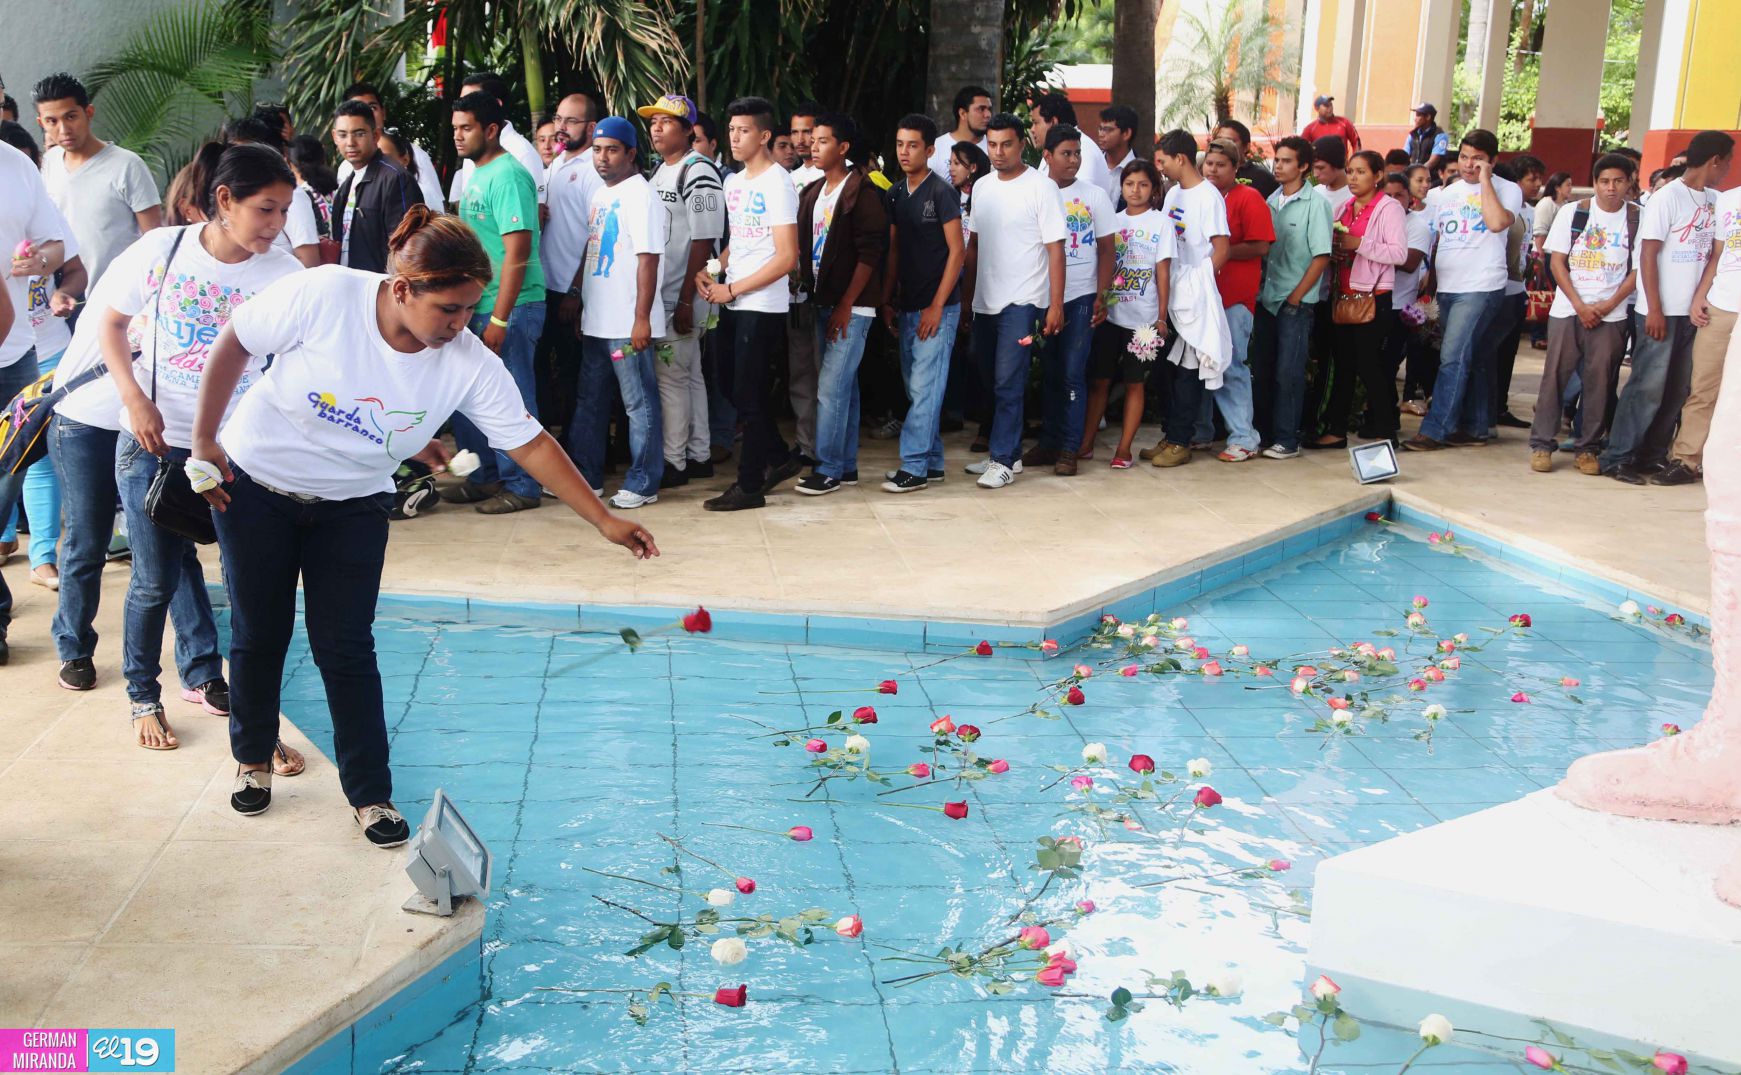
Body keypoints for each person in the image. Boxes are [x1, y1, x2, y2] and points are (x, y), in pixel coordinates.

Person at [186, 206, 657, 842]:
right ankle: (251, 761)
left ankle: (370, 796)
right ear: (403, 288)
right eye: (450, 310)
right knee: (259, 632)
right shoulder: (325, 294)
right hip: (258, 487)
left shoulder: (465, 359)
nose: (461, 325)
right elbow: (235, 342)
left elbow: (530, 442)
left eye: (470, 309)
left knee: (346, 648)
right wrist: (205, 441)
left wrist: (601, 518)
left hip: (353, 505)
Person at [53, 145, 301, 752]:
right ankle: (143, 696)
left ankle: (256, 722)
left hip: (237, 453)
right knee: (154, 580)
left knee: (249, 588)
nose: (277, 225)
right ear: (224, 201)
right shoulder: (162, 251)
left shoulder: (285, 275)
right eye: (265, 210)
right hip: (154, 445)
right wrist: (133, 400)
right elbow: (110, 322)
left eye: (285, 210)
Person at [1600, 131, 1733, 483]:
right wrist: (1654, 308)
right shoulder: (1667, 197)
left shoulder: (1714, 200)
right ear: (1715, 160)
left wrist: (1700, 298)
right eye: (1728, 161)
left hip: (1693, 311)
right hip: (1660, 309)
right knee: (1648, 385)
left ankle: (1651, 455)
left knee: (1677, 388)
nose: (1729, 169)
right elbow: (1648, 253)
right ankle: (1618, 456)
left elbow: (1714, 254)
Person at [439, 90, 548, 513]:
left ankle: (523, 484)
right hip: (477, 305)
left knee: (512, 397)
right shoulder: (474, 173)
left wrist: (499, 319)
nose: (458, 137)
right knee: (468, 394)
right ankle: (482, 475)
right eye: (454, 130)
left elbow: (517, 252)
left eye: (466, 128)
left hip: (513, 306)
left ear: (490, 129)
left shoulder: (508, 175)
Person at [693, 96, 801, 511]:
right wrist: (713, 270)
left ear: (765, 135)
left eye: (744, 131)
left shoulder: (778, 183)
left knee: (749, 394)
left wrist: (734, 290)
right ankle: (777, 456)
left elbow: (786, 256)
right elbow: (740, 241)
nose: (735, 138)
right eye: (732, 130)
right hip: (733, 298)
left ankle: (749, 484)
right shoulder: (734, 183)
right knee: (730, 387)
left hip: (762, 305)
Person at [0, 134, 74, 665]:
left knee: (9, 477)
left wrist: (37, 263)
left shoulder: (16, 166)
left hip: (14, 352)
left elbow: (56, 245)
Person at [963, 112, 1066, 489]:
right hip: (985, 299)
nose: (998, 152)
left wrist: (1055, 305)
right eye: (991, 145)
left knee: (1009, 380)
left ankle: (1003, 459)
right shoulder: (983, 187)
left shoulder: (1042, 187)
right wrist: (966, 299)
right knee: (989, 377)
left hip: (1023, 300)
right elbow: (973, 246)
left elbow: (1056, 249)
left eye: (1006, 144)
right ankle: (1007, 455)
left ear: (1022, 144)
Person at [569, 116, 667, 508]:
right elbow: (593, 250)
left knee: (638, 402)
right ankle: (587, 477)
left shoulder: (639, 194)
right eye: (596, 149)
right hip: (598, 318)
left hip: (627, 323)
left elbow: (648, 259)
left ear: (630, 153)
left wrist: (641, 318)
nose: (602, 158)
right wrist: (579, 298)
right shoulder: (600, 194)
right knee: (589, 399)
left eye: (611, 150)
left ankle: (644, 482)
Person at [1404, 129, 1522, 452]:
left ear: (1493, 162)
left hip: (1482, 285)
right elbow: (1437, 238)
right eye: (1465, 157)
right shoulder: (1446, 194)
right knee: (1478, 355)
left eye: (1479, 160)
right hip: (1449, 287)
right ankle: (1477, 426)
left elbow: (1498, 223)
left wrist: (1485, 181)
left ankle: (1436, 429)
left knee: (1452, 356)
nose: (1469, 165)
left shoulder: (1507, 189)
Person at [1527, 152, 1639, 476]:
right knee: (1555, 378)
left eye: (1618, 181)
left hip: (1612, 314)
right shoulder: (1572, 213)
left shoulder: (1637, 218)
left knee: (1600, 381)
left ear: (1629, 183)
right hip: (1568, 310)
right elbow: (1557, 263)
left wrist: (1606, 305)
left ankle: (1587, 447)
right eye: (1604, 181)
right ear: (1594, 183)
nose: (1611, 187)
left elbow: (1636, 270)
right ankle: (1542, 444)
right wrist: (1579, 304)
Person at [793, 112, 886, 495]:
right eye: (812, 140)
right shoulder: (814, 191)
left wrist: (847, 304)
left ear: (843, 148)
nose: (813, 147)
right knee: (842, 388)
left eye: (823, 141)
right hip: (822, 300)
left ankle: (828, 468)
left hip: (854, 306)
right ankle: (845, 466)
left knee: (830, 388)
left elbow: (870, 254)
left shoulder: (861, 191)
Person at [638, 93, 723, 491]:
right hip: (669, 293)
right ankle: (699, 454)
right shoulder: (661, 171)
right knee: (688, 376)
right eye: (654, 120)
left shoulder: (698, 170)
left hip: (682, 294)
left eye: (667, 122)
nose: (657, 127)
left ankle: (675, 462)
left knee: (672, 377)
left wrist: (690, 295)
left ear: (689, 130)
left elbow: (705, 240)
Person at [880, 114, 965, 493]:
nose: (904, 151)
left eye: (913, 145)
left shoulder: (941, 192)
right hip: (907, 303)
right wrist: (887, 298)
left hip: (939, 307)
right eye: (900, 144)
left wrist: (937, 305)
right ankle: (931, 463)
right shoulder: (896, 193)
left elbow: (958, 252)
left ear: (930, 150)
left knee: (926, 386)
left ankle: (913, 466)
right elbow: (895, 249)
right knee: (917, 387)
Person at [1026, 123, 1114, 476]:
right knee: (1049, 371)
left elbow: (1108, 250)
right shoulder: (1033, 191)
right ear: (1047, 156)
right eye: (1066, 153)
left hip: (1081, 297)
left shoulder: (1093, 196)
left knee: (1072, 372)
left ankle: (1068, 449)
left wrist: (1102, 296)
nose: (1074, 160)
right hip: (1041, 296)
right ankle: (1048, 442)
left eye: (1077, 153)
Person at [1146, 128, 1231, 468]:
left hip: (1194, 297)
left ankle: (1182, 440)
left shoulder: (1208, 197)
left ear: (1179, 158)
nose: (1161, 168)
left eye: (1163, 161)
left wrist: (1198, 281)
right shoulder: (1172, 195)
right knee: (1167, 369)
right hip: (1171, 294)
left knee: (1188, 371)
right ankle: (1171, 434)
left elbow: (1222, 248)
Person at [1079, 160, 1171, 467]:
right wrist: (1100, 300)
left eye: (1143, 184)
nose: (1136, 190)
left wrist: (1161, 317)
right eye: (1130, 183)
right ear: (1122, 186)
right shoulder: (1113, 220)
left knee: (1135, 383)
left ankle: (1123, 449)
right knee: (1099, 381)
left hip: (1144, 323)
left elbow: (1163, 272)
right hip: (1110, 316)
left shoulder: (1161, 223)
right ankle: (1086, 442)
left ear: (1154, 190)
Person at [33, 72, 162, 287]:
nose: (63, 129)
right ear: (41, 123)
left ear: (88, 112)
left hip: (121, 298)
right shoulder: (48, 163)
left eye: (71, 117)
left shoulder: (127, 165)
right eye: (52, 121)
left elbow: (156, 241)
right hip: (65, 297)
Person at [1317, 150, 1408, 446]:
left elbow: (1398, 253)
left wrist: (1360, 244)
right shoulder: (1345, 207)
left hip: (1373, 296)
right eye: (1351, 171)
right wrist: (1337, 251)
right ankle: (1337, 429)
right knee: (1342, 365)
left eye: (1361, 172)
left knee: (1370, 366)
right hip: (1343, 294)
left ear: (1378, 175)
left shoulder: (1388, 208)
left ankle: (1385, 429)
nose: (1354, 178)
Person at [1251, 135, 1331, 459]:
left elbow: (1321, 256)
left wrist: (1297, 297)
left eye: (1285, 161)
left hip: (1295, 303)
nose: (1278, 166)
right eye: (1277, 159)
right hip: (1267, 297)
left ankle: (1288, 438)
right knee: (1264, 368)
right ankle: (1265, 434)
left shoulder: (1317, 204)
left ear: (1304, 166)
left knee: (1290, 372)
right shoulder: (1270, 201)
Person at [1197, 138, 1274, 461]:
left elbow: (1261, 246)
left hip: (1235, 297)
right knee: (1199, 365)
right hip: (1202, 295)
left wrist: (1219, 253)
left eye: (1221, 165)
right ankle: (1201, 432)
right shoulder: (1199, 196)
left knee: (1231, 366)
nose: (1213, 170)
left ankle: (1244, 437)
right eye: (1209, 164)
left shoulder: (1248, 197)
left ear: (1236, 167)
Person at [1663, 170, 1741, 486]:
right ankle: (1686, 460)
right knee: (1703, 388)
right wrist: (1700, 295)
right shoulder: (1728, 200)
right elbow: (1717, 255)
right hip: (1721, 306)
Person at [540, 92, 602, 445]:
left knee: (574, 375)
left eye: (571, 121)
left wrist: (576, 291)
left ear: (591, 127)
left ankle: (581, 451)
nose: (561, 128)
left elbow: (595, 237)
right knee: (551, 373)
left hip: (573, 291)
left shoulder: (594, 169)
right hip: (545, 286)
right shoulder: (555, 164)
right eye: (559, 119)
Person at [330, 99, 421, 272]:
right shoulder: (345, 186)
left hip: (382, 290)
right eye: (343, 134)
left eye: (359, 133)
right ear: (334, 136)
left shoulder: (395, 178)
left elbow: (409, 246)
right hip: (349, 286)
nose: (350, 142)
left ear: (376, 135)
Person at [1491, 155, 1545, 430]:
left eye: (1539, 178)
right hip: (1501, 288)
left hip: (1518, 289)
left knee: (1509, 351)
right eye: (1531, 179)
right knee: (1494, 352)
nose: (1537, 184)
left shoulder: (1531, 211)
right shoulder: (1504, 209)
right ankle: (1490, 406)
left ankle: (1500, 406)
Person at [226, 114, 323, 268]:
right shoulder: (227, 193)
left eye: (283, 210)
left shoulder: (291, 195)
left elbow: (309, 262)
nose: (239, 164)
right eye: (234, 155)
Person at [337, 82, 446, 210]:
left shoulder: (415, 154)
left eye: (372, 108)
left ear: (383, 113)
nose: (367, 115)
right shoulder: (346, 166)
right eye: (358, 110)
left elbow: (436, 206)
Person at [446, 71, 546, 208]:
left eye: (471, 99)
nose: (462, 107)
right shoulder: (472, 149)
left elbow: (535, 214)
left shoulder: (522, 153)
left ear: (497, 104)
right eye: (461, 100)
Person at [1029, 93, 1112, 205]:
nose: (1032, 129)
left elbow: (1078, 201)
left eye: (1036, 123)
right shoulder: (1052, 147)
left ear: (1053, 122)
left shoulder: (1084, 149)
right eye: (1066, 154)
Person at [929, 85, 991, 182]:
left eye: (989, 109)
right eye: (981, 109)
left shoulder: (995, 148)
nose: (988, 115)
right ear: (963, 113)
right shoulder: (937, 147)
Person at [1213, 118, 1278, 198]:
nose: (1222, 145)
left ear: (1246, 147)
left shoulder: (1262, 177)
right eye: (1218, 140)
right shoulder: (1207, 173)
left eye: (1229, 141)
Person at [1096, 105, 1139, 205]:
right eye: (1100, 129)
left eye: (1108, 130)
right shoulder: (1092, 162)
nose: (1101, 134)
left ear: (1126, 134)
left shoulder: (1142, 171)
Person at [788, 102, 823, 190]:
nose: (800, 140)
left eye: (807, 132)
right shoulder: (791, 178)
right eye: (795, 132)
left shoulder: (843, 171)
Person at [1405, 103, 1447, 171]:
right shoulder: (1413, 134)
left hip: (1432, 178)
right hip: (1413, 175)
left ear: (1428, 117)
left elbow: (1433, 161)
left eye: (1418, 115)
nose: (1415, 119)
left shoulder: (1440, 135)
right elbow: (1404, 155)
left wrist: (1418, 172)